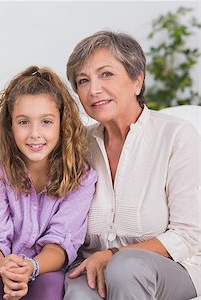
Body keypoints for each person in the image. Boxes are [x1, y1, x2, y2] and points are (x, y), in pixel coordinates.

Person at [64, 31, 200, 299]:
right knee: (78, 293)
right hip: (94, 267)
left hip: (175, 268)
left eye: (106, 74)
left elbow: (189, 234)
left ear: (137, 80)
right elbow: (25, 166)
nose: (94, 89)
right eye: (83, 80)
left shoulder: (176, 135)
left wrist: (114, 255)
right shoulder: (78, 144)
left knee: (124, 268)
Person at [0, 66, 97, 300]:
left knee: (50, 290)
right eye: (24, 122)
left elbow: (60, 244)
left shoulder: (80, 176)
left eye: (46, 122)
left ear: (62, 125)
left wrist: (30, 268)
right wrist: (4, 266)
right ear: (10, 125)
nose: (35, 133)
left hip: (46, 266)